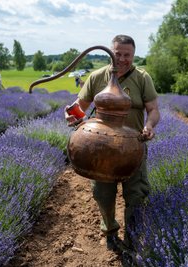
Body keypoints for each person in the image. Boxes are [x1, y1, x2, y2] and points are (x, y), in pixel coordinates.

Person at [64, 35, 160, 257]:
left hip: (132, 149)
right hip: (102, 150)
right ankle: (110, 233)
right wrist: (72, 115)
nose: (122, 59)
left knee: (136, 194)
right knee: (102, 194)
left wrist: (149, 125)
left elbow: (153, 109)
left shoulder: (142, 78)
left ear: (133, 55)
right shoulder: (97, 77)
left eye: (127, 55)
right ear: (110, 52)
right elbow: (79, 106)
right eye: (118, 53)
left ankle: (133, 238)